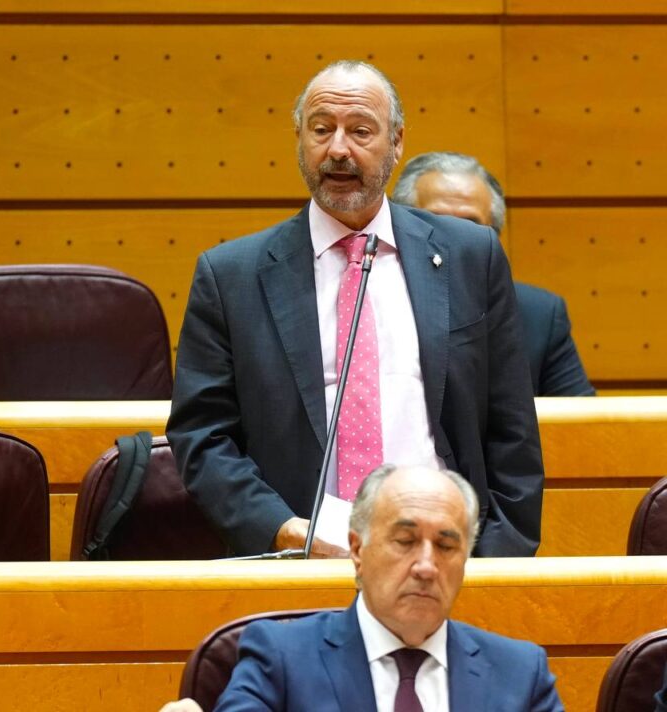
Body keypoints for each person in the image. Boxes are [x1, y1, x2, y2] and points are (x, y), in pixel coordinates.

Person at [167, 60, 542, 558]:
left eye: (360, 131)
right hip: (302, 556)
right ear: (299, 139)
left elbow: (511, 427)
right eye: (322, 130)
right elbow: (203, 437)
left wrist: (494, 559)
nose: (338, 150)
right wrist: (284, 531)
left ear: (397, 141)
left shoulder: (470, 256)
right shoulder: (231, 275)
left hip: (450, 556)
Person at [159, 466, 563, 712]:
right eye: (404, 541)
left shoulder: (520, 674)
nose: (425, 566)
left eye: (446, 545)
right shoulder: (280, 660)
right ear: (357, 549)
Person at [391, 151, 595, 397]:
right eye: (438, 221)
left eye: (471, 226)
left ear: (494, 240)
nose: (455, 239)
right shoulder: (372, 301)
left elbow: (578, 423)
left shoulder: (537, 315)